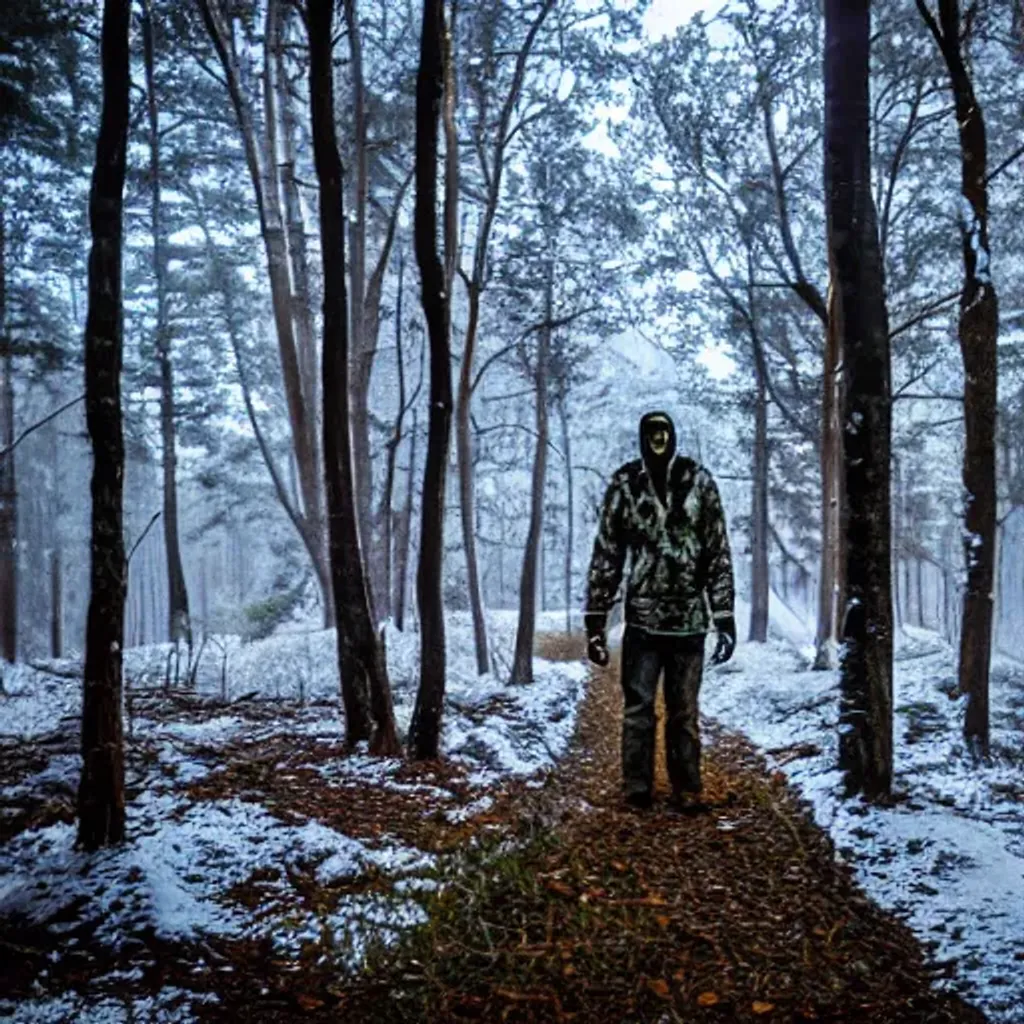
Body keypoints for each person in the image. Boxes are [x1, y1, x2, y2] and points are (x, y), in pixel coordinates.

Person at [584, 411, 736, 811]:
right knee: (638, 710)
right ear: (641, 437)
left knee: (684, 711)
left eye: (664, 432)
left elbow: (717, 551)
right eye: (651, 433)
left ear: (674, 436)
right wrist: (595, 620)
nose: (658, 439)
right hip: (642, 621)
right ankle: (637, 788)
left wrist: (724, 616)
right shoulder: (625, 484)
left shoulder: (699, 482)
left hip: (689, 621)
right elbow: (608, 553)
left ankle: (688, 788)